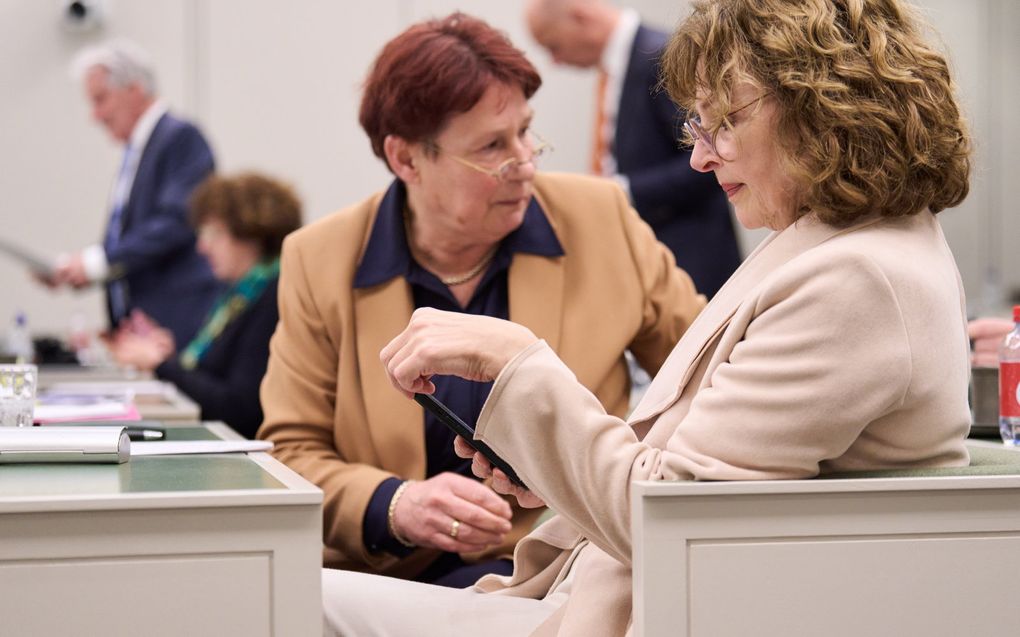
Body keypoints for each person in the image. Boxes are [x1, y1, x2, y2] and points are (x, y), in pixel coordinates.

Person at [321, 0, 974, 633]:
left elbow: (670, 511)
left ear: (817, 106)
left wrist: (517, 363)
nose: (699, 156)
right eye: (697, 125)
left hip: (626, 606)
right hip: (596, 587)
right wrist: (546, 463)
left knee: (287, 595)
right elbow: (689, 466)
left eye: (722, 122)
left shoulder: (852, 281)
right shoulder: (840, 249)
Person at [257, 12, 705, 589]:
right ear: (406, 159)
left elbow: (707, 379)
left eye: (526, 130)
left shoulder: (601, 220)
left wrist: (610, 471)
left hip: (563, 567)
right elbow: (291, 452)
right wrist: (395, 505)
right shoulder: (319, 259)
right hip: (387, 577)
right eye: (493, 146)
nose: (526, 163)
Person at [524, 0, 741, 297]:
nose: (555, 61)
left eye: (553, 46)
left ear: (581, 18)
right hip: (651, 260)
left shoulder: (661, 56)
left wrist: (619, 192)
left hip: (692, 265)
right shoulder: (619, 67)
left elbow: (711, 158)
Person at [46, 39, 220, 348]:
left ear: (134, 90)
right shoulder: (140, 151)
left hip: (176, 325)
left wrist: (96, 263)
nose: (95, 115)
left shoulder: (180, 138)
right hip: (143, 332)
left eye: (101, 99)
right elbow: (133, 236)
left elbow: (177, 222)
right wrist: (79, 270)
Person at [106, 173, 301, 439]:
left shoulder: (273, 297)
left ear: (251, 233)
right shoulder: (237, 297)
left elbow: (239, 409)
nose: (202, 247)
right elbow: (212, 378)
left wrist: (162, 364)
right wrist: (168, 355)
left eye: (213, 233)